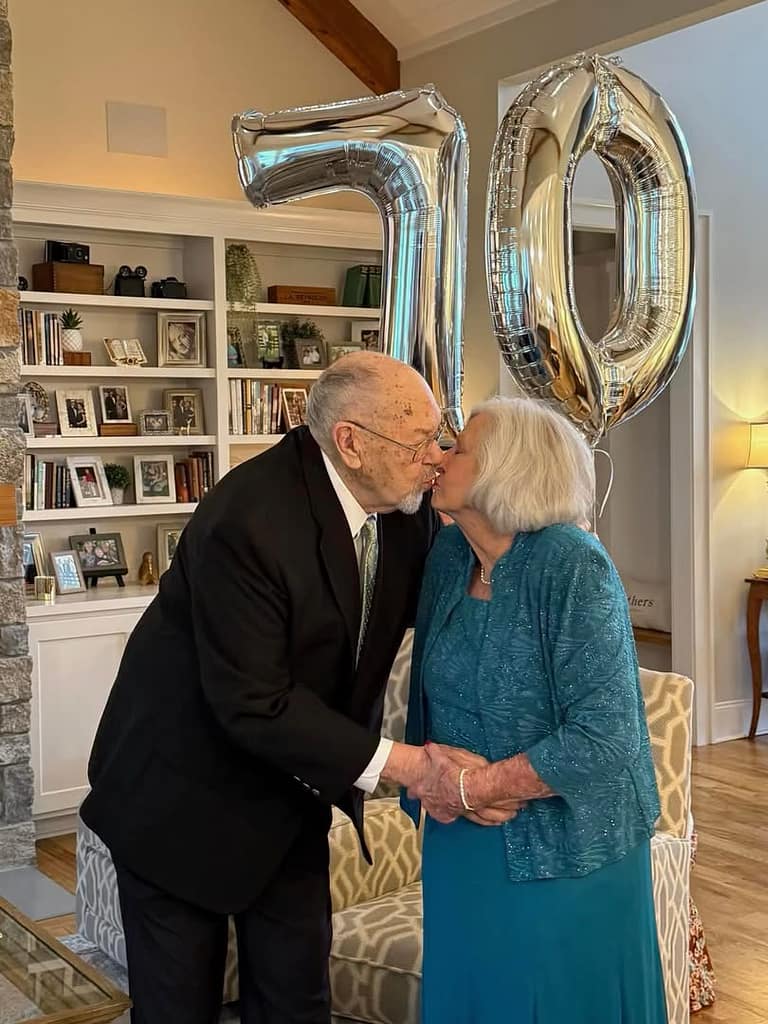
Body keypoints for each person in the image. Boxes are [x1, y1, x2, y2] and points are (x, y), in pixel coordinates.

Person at [80, 352, 461, 1024]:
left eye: (442, 434)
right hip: (176, 801)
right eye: (421, 440)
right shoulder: (248, 520)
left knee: (295, 1001)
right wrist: (407, 766)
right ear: (351, 442)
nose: (438, 456)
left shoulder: (404, 511)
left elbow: (447, 606)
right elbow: (255, 702)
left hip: (288, 795)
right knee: (178, 1009)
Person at [403, 396, 668, 1024]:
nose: (440, 456)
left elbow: (606, 737)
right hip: (458, 837)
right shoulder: (449, 556)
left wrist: (477, 785)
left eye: (458, 447)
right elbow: (425, 700)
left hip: (567, 852)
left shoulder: (573, 564)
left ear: (505, 470)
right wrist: (435, 783)